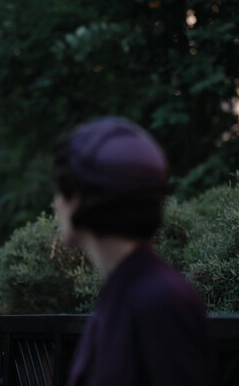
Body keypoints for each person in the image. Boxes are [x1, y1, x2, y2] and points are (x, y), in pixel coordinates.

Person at [53, 117, 213, 386]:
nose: (55, 203)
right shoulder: (128, 289)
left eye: (59, 191)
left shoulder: (161, 300)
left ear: (76, 199)